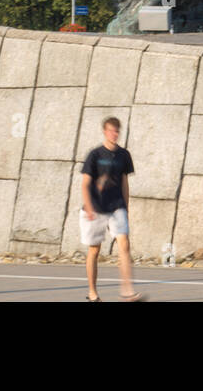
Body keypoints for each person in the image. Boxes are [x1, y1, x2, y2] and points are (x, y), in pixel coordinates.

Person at [79, 116, 143, 302]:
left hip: (116, 207)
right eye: (110, 131)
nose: (114, 134)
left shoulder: (124, 155)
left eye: (116, 131)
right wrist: (89, 207)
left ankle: (127, 291)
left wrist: (126, 207)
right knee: (94, 251)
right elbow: (85, 184)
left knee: (124, 244)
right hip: (96, 207)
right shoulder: (95, 155)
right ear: (104, 132)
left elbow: (125, 183)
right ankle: (93, 293)